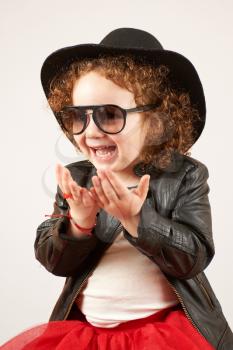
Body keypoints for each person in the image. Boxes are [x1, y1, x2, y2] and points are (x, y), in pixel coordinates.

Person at [2, 27, 233, 350]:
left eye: (109, 115)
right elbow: (54, 261)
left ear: (155, 120)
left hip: (162, 335)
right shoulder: (77, 179)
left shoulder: (184, 175)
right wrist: (79, 223)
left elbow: (193, 257)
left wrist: (138, 219)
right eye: (78, 117)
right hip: (87, 337)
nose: (91, 131)